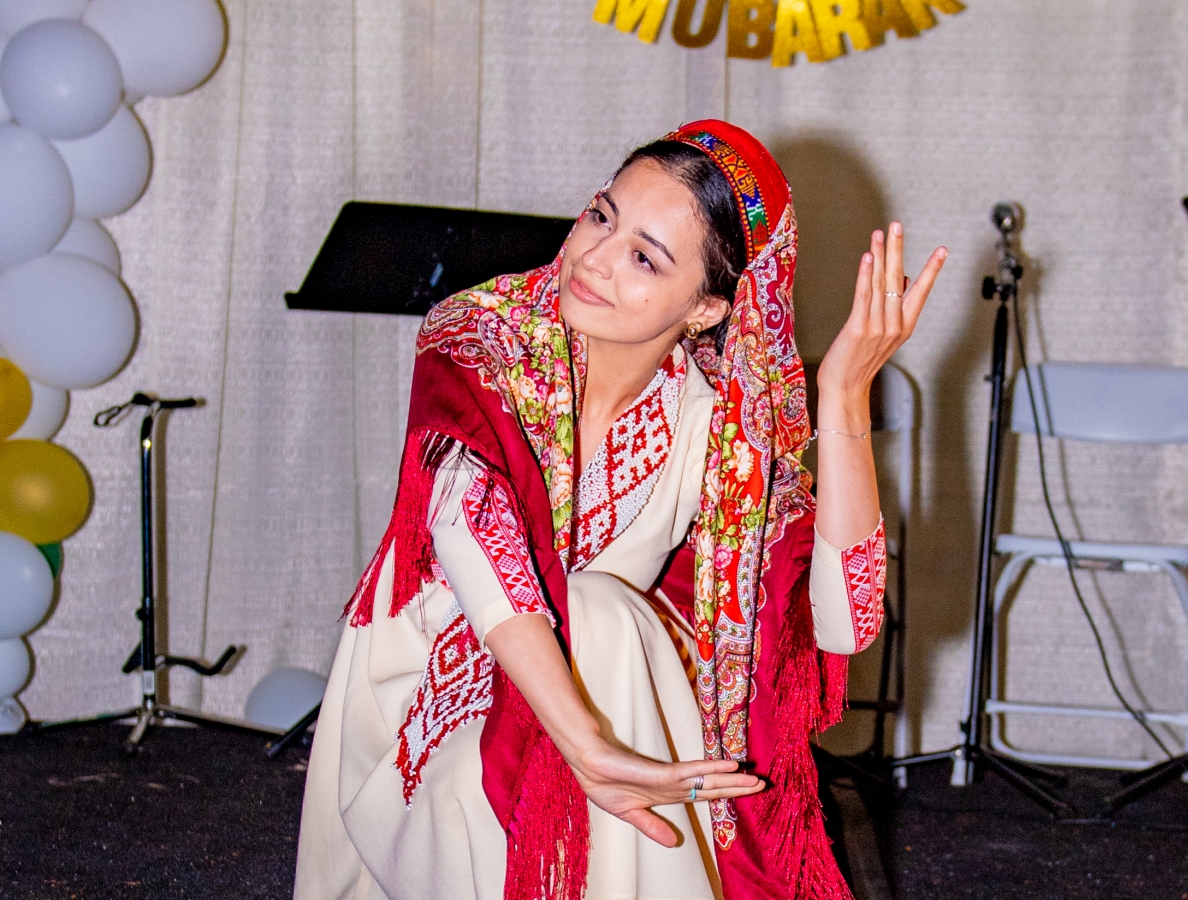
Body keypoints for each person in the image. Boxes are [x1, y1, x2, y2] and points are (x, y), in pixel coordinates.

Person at [294, 119, 946, 900]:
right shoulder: (479, 332)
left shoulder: (715, 426)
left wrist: (842, 393)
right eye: (601, 215)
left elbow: (842, 624)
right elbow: (471, 524)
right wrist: (589, 748)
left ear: (705, 309)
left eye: (644, 256)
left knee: (604, 623)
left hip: (610, 715)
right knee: (598, 611)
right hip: (440, 695)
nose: (594, 259)